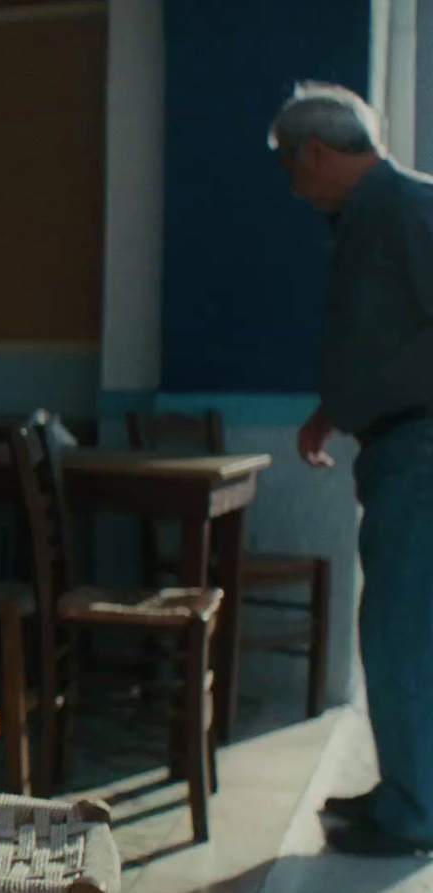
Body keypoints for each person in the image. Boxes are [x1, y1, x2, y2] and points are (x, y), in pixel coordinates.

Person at [270, 81, 433, 856]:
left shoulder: (406, 208)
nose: (292, 184)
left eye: (290, 166)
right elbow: (387, 336)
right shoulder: (374, 216)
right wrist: (333, 408)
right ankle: (410, 789)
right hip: (401, 446)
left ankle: (415, 810)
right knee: (401, 629)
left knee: (401, 630)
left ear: (317, 152)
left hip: (423, 451)